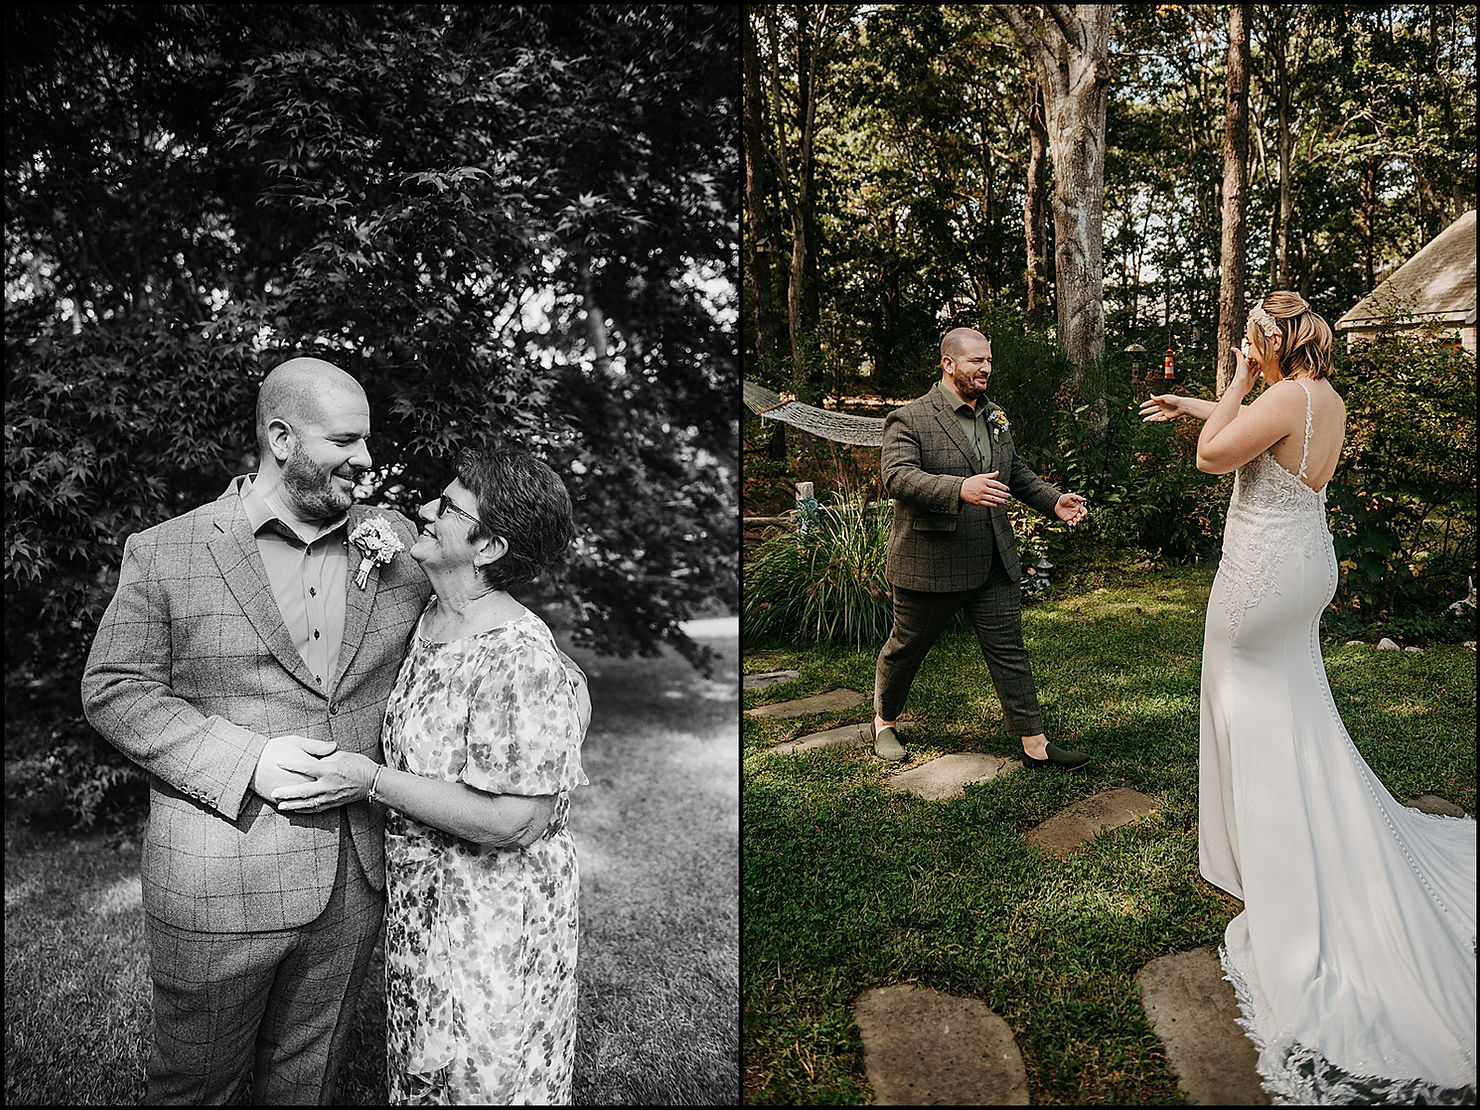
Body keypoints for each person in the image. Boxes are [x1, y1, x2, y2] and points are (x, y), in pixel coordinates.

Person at [1140, 291, 1476, 1103]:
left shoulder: (1280, 392)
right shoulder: (1325, 396)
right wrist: (1198, 400)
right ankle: (1275, 832)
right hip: (1304, 571)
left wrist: (1227, 383)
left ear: (1268, 344)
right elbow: (1262, 432)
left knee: (1243, 702)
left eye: (1253, 340)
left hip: (1259, 583)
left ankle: (1258, 854)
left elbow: (1213, 455)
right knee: (1297, 709)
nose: (1248, 350)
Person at [81, 357, 431, 1103]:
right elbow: (115, 688)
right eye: (345, 441)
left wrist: (548, 675)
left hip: (354, 876)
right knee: (195, 1085)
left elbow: (475, 616)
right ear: (281, 438)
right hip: (219, 875)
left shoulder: (396, 539)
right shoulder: (167, 550)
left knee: (308, 1083)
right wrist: (249, 760)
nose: (366, 460)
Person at [271, 445, 591, 1104]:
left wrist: (370, 781)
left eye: (445, 509)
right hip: (426, 914)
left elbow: (517, 821)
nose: (423, 510)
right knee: (426, 1077)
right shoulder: (431, 612)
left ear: (490, 547)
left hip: (499, 923)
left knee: (488, 1082)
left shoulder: (516, 655)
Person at [872, 326, 1092, 768]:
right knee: (906, 647)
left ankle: (1035, 744)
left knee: (1010, 651)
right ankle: (884, 721)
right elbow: (896, 477)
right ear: (949, 363)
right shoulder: (910, 418)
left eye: (989, 360)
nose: (986, 368)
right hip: (929, 564)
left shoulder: (995, 417)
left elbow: (1016, 473)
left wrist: (1053, 501)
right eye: (977, 361)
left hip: (992, 559)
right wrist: (959, 489)